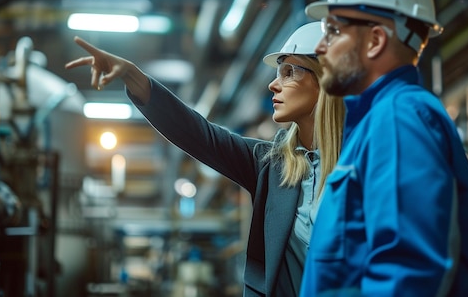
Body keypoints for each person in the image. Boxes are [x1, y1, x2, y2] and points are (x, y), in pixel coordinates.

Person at [65, 22, 346, 296]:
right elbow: (199, 135)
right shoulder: (270, 165)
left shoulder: (362, 159)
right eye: (277, 72)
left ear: (324, 81)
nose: (273, 84)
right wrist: (133, 76)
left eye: (288, 72)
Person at [299, 0, 468, 296]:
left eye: (334, 31)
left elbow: (407, 271)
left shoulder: (399, 118)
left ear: (375, 40)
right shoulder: (375, 124)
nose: (320, 47)